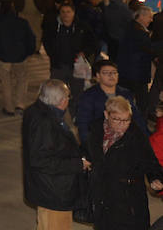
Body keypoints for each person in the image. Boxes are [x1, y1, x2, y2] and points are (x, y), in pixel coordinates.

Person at [84, 96, 163, 230]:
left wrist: (155, 178)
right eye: (117, 119)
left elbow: (150, 161)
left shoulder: (136, 135)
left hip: (128, 198)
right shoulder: (95, 130)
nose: (122, 124)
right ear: (106, 115)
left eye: (126, 120)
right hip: (102, 195)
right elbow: (86, 151)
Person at [22, 79, 88, 230]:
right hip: (54, 191)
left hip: (47, 189)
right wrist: (78, 164)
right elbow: (40, 160)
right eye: (67, 97)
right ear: (62, 100)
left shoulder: (35, 111)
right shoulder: (45, 122)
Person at [43, 2, 95, 117]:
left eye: (68, 12)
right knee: (56, 93)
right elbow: (46, 41)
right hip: (58, 66)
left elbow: (92, 43)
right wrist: (52, 54)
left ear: (73, 13)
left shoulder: (82, 27)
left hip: (77, 66)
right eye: (63, 12)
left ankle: (76, 115)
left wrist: (84, 52)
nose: (66, 14)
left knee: (78, 93)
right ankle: (56, 116)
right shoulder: (53, 27)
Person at [76, 60, 145, 145]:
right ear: (98, 76)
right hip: (100, 139)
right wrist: (88, 145)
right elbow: (83, 123)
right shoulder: (89, 96)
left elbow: (137, 118)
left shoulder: (126, 94)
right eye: (106, 73)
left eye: (114, 72)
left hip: (126, 138)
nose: (111, 75)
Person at [0, 0, 36, 116]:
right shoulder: (22, 22)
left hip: (3, 58)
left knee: (6, 83)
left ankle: (9, 108)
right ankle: (20, 104)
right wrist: (29, 52)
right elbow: (31, 38)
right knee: (22, 81)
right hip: (21, 57)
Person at [118, 5, 157, 115]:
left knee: (127, 100)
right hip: (137, 72)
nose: (151, 20)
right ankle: (141, 126)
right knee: (142, 102)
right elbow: (148, 50)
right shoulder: (139, 32)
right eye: (149, 17)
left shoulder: (130, 28)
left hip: (127, 71)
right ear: (141, 17)